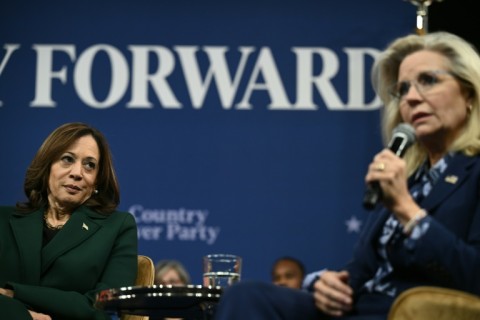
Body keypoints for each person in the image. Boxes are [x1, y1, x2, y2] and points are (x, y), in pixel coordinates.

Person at [212, 31, 480, 319]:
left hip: (407, 312)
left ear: (469, 93)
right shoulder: (408, 181)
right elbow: (363, 270)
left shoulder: (465, 175)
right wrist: (323, 283)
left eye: (428, 80)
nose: (412, 98)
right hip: (360, 308)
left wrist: (407, 211)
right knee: (247, 296)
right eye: (402, 89)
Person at [0, 122, 138, 320]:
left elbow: (104, 307)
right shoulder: (3, 221)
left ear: (97, 180)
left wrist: (15, 293)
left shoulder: (117, 226)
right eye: (67, 159)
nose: (77, 173)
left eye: (89, 165)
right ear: (47, 167)